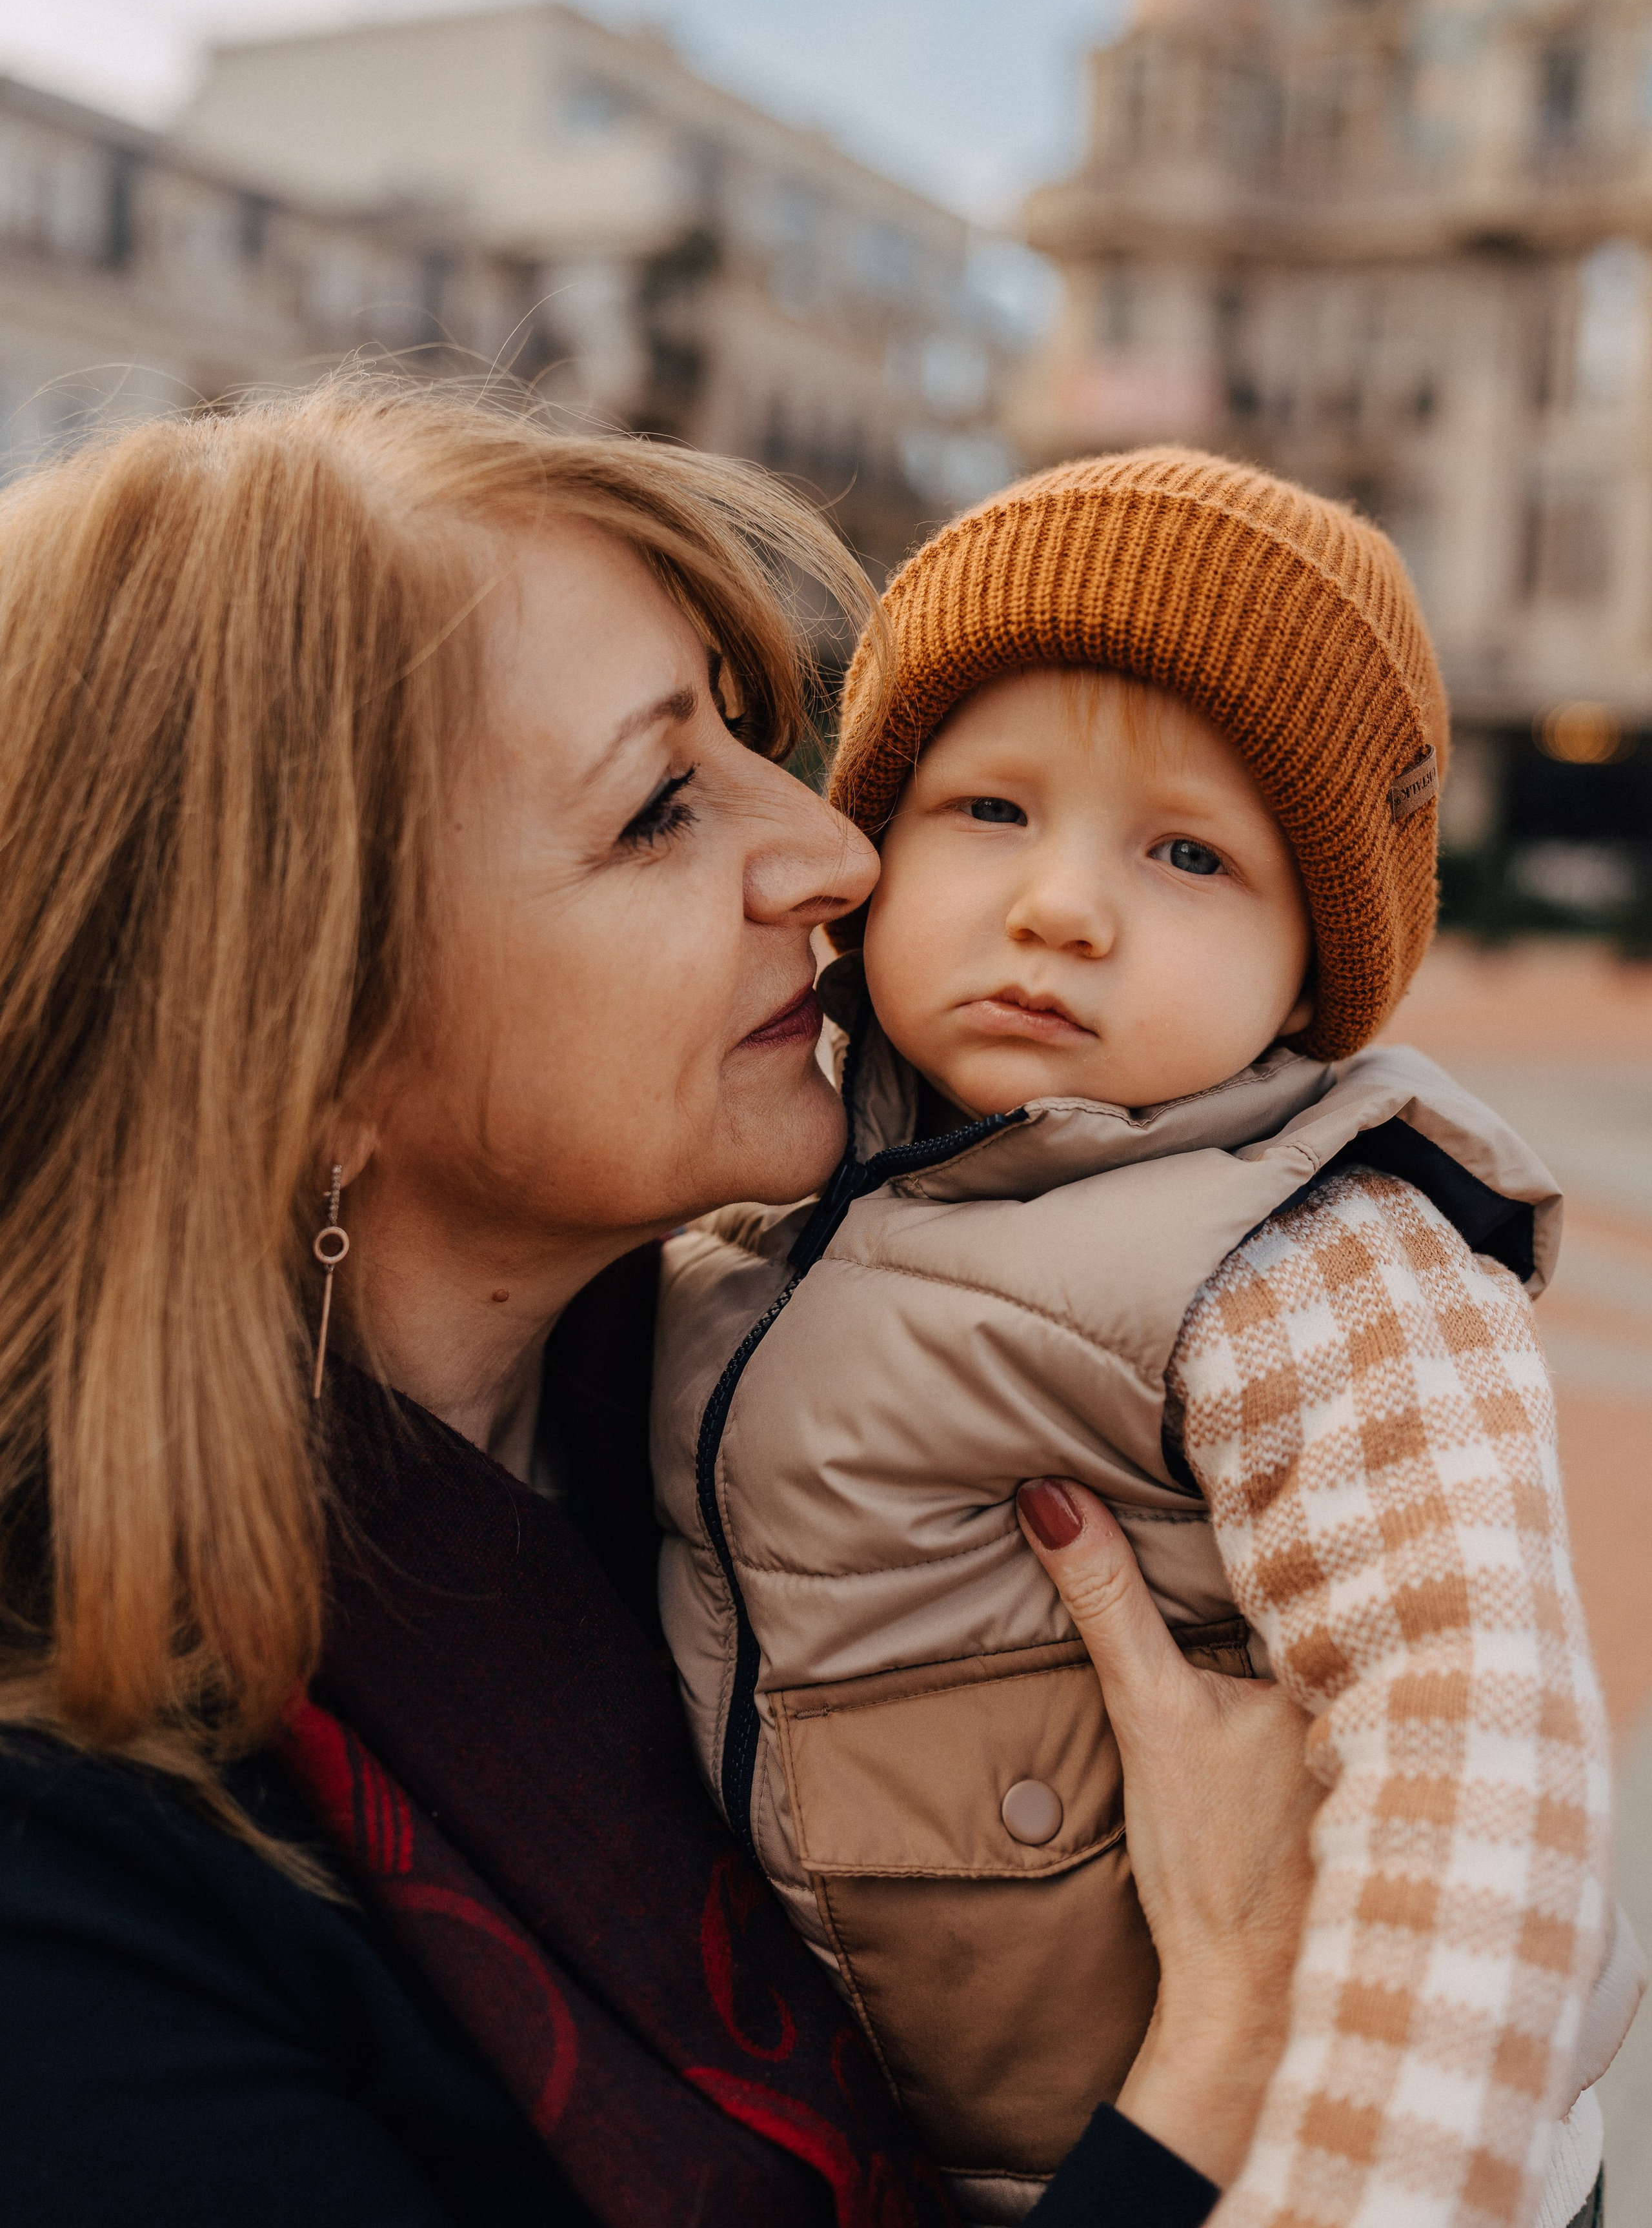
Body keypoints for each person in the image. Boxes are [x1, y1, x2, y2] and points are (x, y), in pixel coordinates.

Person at [0, 384, 1325, 2228]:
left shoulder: (780, 1387)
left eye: (750, 723)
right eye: (656, 809)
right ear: (304, 1044)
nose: (838, 855)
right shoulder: (72, 1888)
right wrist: (1233, 2043)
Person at [652, 450, 1643, 2228]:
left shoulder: (1303, 1250)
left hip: (1265, 2160)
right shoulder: (773, 1198)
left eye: (1188, 851)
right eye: (991, 810)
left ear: (1311, 962)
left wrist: (1369, 2194)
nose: (1064, 907)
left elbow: (1473, 1759)